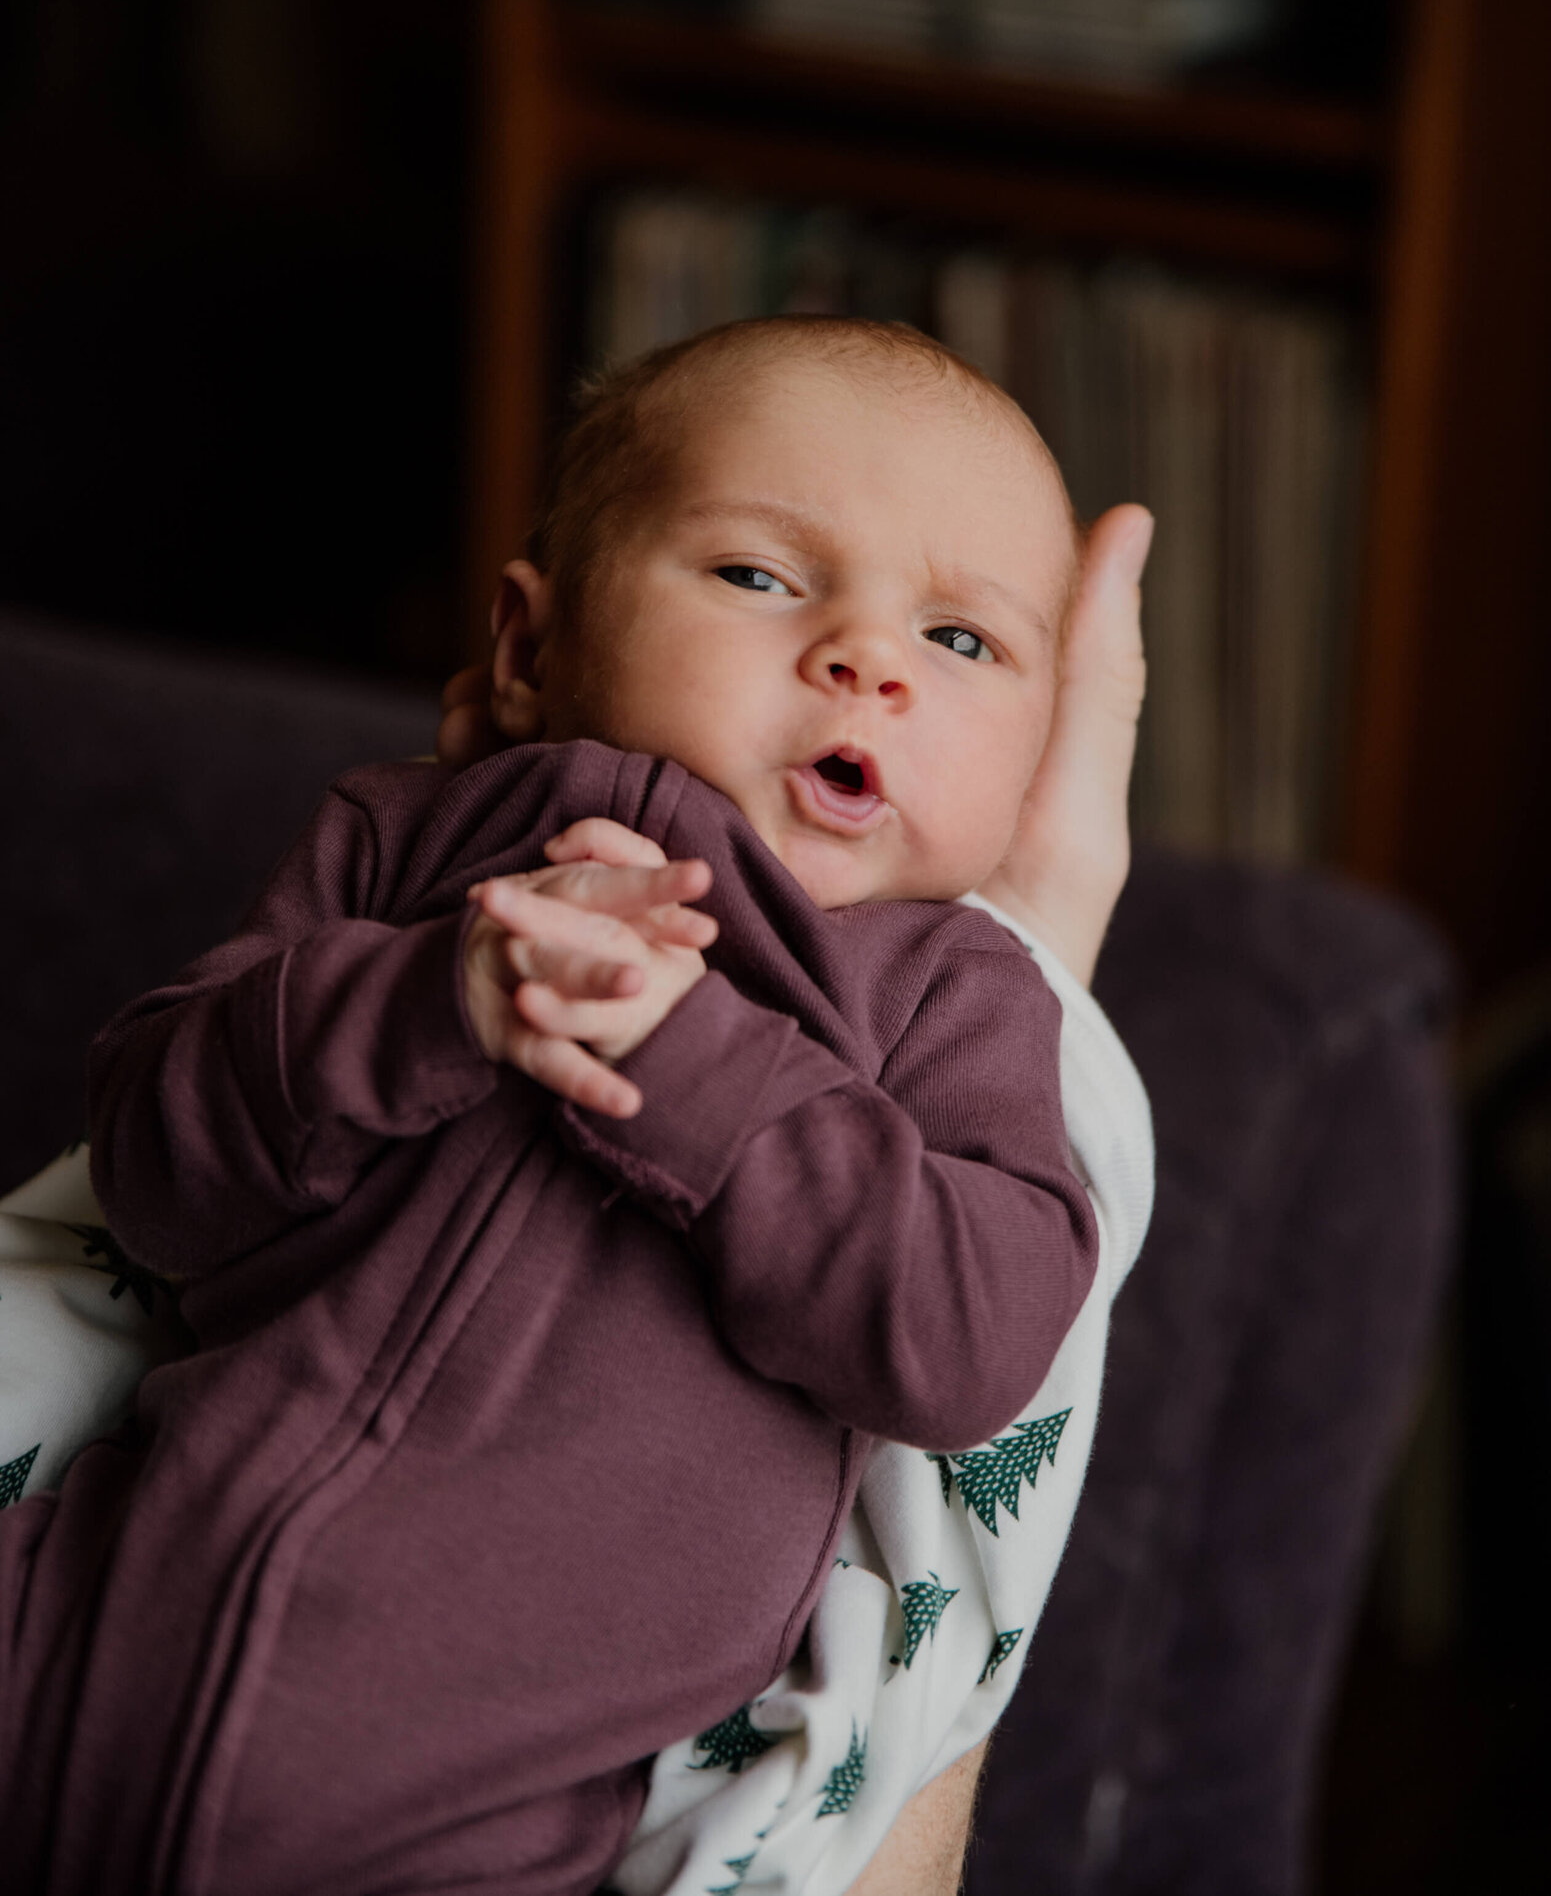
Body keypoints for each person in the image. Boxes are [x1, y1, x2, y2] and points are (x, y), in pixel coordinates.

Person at [0, 317, 1153, 1896]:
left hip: (476, 1813)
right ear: (532, 646)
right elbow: (148, 1163)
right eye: (760, 575)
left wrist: (706, 1072)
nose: (868, 657)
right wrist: (425, 1000)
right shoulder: (412, 847)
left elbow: (971, 1335)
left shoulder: (949, 995)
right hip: (77, 1625)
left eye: (961, 641)